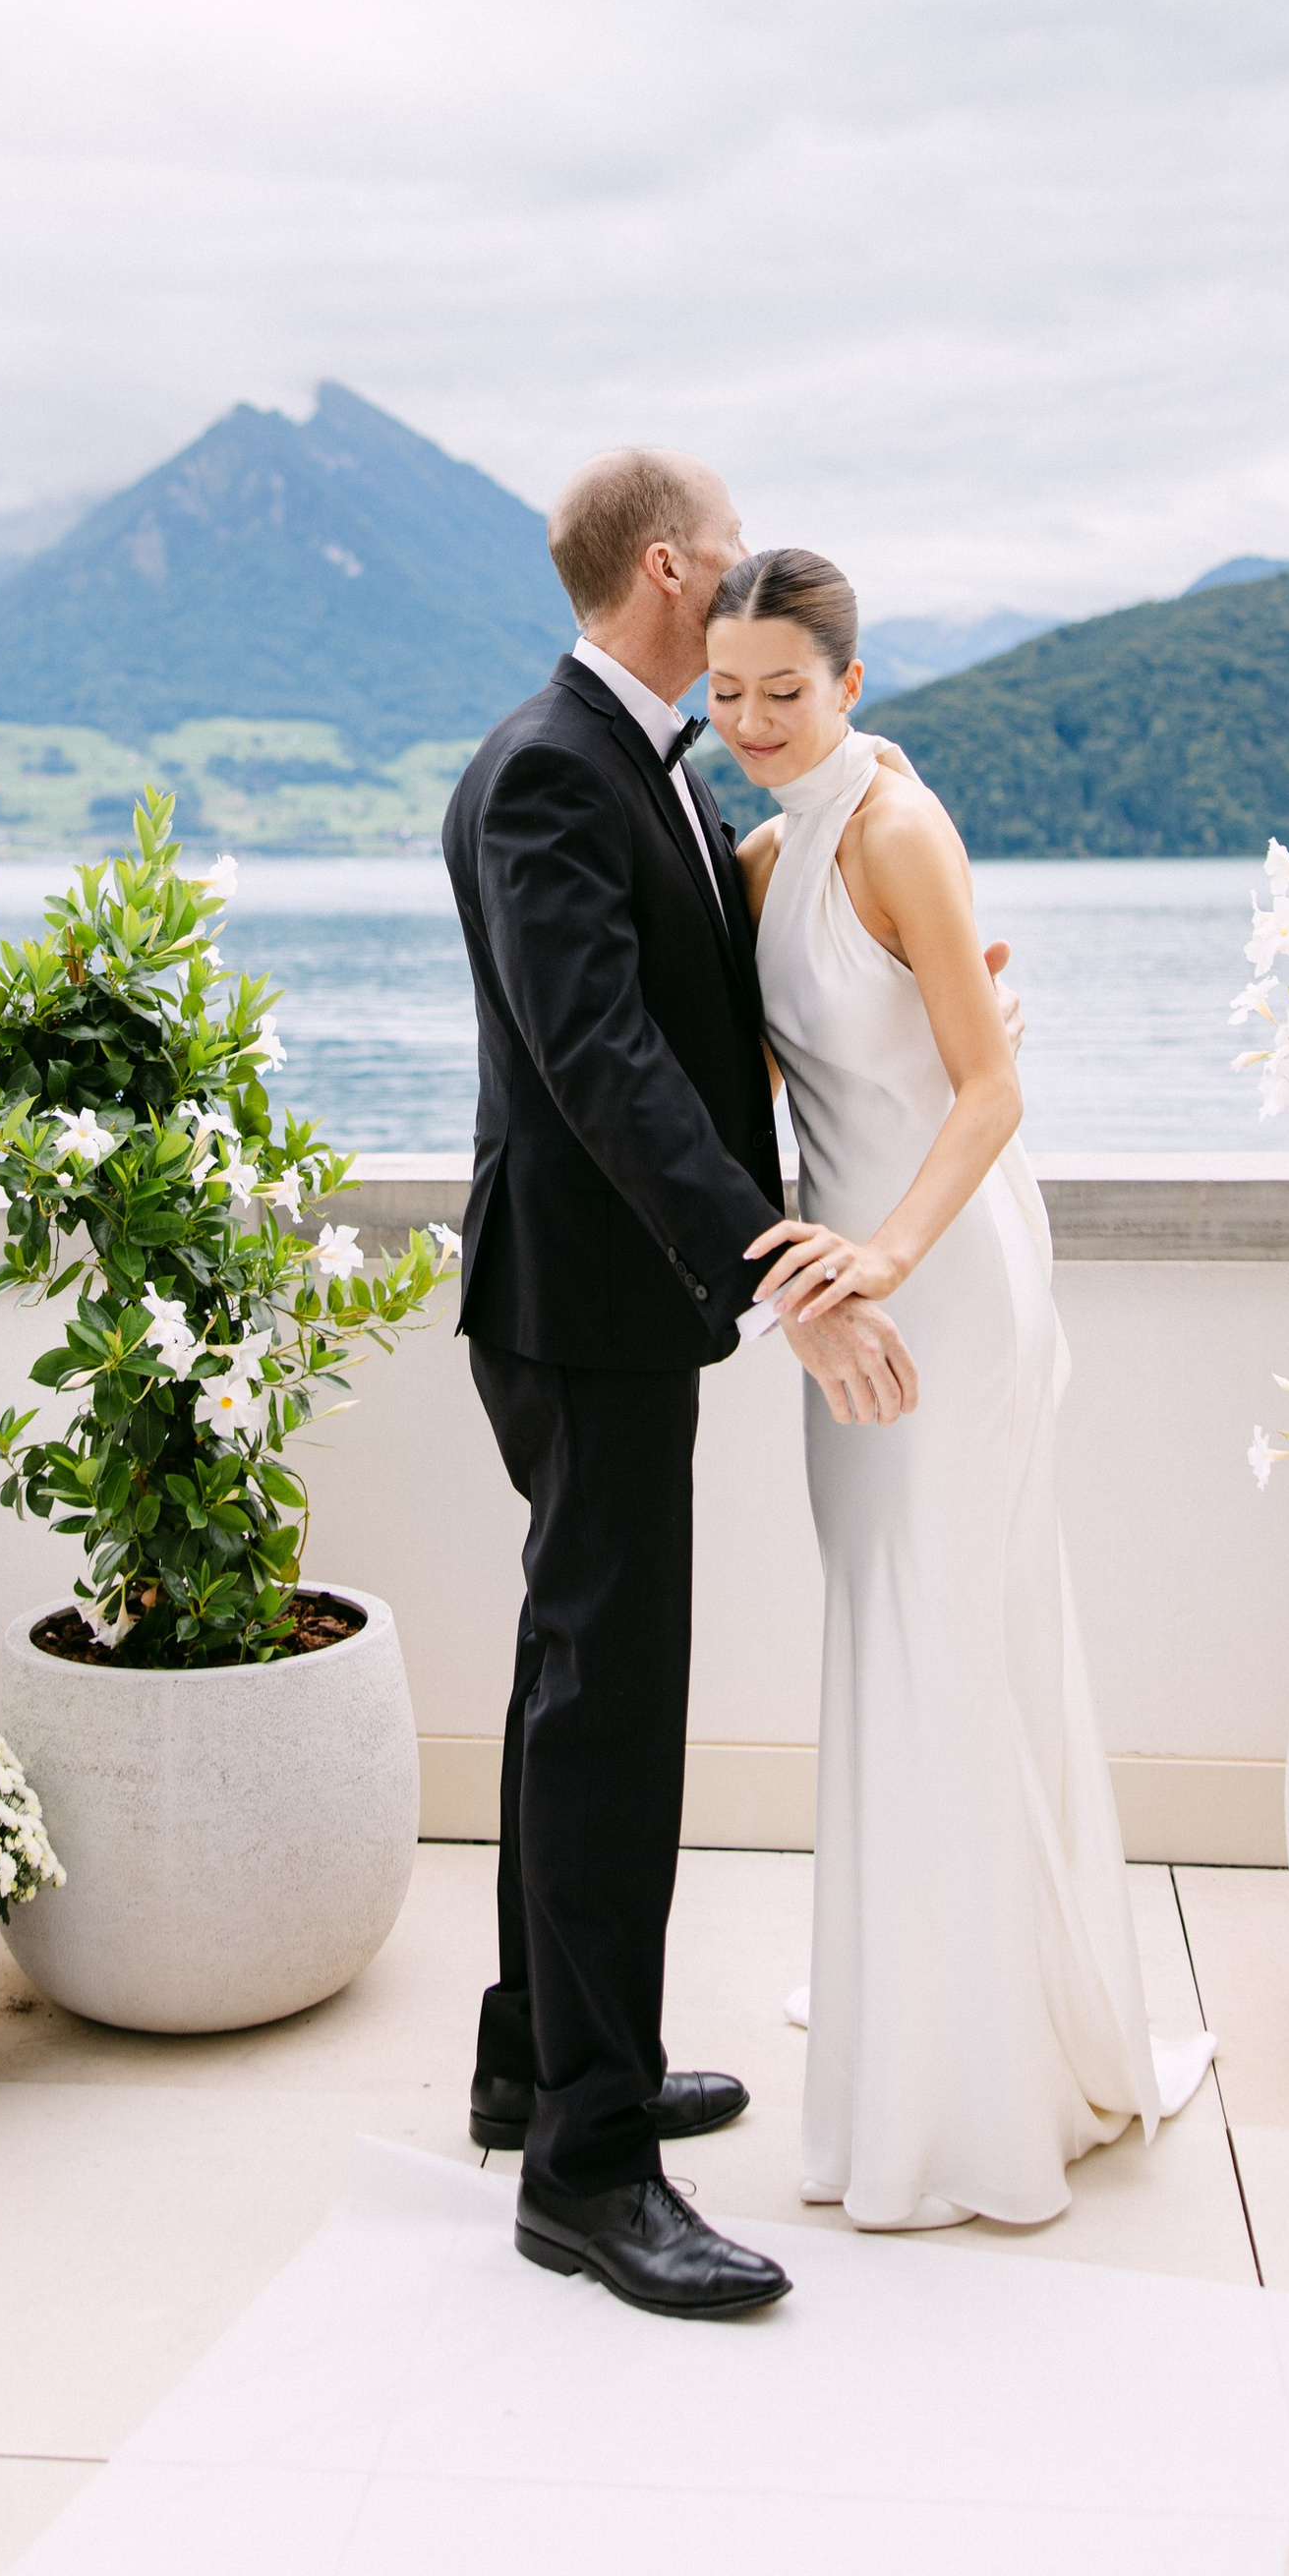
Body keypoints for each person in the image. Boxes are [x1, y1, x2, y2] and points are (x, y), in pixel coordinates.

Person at [441, 449, 920, 2321]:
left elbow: (698, 992)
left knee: (569, 1678)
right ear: (670, 566)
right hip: (590, 1305)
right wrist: (784, 1266)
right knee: (612, 1712)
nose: (737, 584)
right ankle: (589, 2168)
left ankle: (536, 2058)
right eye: (724, 558)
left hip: (589, 1300)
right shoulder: (559, 764)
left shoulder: (604, 756)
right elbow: (602, 1059)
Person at [710, 545, 1215, 2231]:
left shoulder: (900, 831)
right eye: (726, 691)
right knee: (889, 1633)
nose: (756, 719)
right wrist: (803, 1269)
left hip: (942, 1286)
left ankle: (971, 2080)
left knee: (946, 1627)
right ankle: (910, 2019)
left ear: (852, 684)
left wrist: (885, 1258)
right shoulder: (765, 849)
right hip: (834, 1296)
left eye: (788, 688)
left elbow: (985, 1090)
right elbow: (776, 1072)